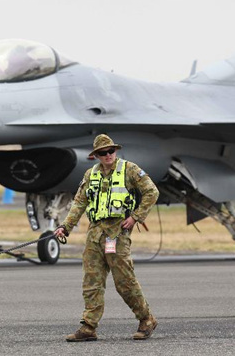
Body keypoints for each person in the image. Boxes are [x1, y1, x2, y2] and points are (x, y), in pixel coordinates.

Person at [55, 134, 159, 342]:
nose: (108, 155)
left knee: (124, 282)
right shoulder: (90, 174)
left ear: (115, 151)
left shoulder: (129, 169)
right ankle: (88, 326)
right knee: (91, 282)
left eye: (111, 151)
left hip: (117, 233)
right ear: (96, 155)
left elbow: (152, 192)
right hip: (95, 234)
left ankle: (146, 319)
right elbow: (79, 203)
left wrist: (135, 217)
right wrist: (65, 227)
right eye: (103, 153)